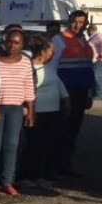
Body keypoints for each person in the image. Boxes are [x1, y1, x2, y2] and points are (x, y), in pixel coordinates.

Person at [0, 28, 35, 196]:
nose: (12, 45)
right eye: (9, 42)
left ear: (22, 45)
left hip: (16, 108)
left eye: (16, 42)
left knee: (12, 145)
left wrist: (30, 112)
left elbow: (29, 86)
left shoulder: (26, 62)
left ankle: (7, 180)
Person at [20, 35, 68, 194]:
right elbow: (28, 91)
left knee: (46, 145)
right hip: (38, 113)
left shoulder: (49, 67)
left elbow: (59, 84)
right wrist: (29, 111)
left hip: (53, 112)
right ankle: (26, 176)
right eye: (50, 51)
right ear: (43, 51)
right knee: (33, 145)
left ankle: (40, 174)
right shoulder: (30, 68)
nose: (52, 54)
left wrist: (66, 99)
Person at [50, 10, 95, 176]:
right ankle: (55, 167)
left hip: (81, 91)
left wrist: (89, 93)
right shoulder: (59, 40)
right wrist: (63, 96)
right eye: (75, 21)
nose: (78, 25)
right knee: (61, 131)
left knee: (73, 131)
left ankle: (65, 166)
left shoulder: (83, 40)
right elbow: (52, 70)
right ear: (69, 22)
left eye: (81, 22)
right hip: (67, 92)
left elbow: (88, 67)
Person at [87, 24, 102, 100]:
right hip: (94, 60)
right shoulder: (93, 37)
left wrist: (101, 55)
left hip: (99, 60)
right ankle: (94, 94)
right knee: (94, 78)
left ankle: (99, 95)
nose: (87, 32)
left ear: (91, 30)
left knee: (98, 77)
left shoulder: (99, 36)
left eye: (88, 31)